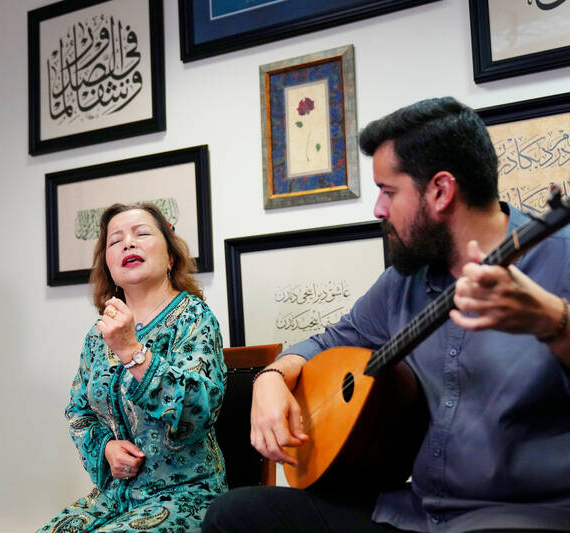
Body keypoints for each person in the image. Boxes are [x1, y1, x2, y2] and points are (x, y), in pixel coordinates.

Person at [203, 97, 570, 533]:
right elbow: (329, 341)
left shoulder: (560, 260)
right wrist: (270, 378)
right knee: (234, 514)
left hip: (526, 514)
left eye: (388, 191)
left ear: (440, 191)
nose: (378, 208)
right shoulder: (403, 281)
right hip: (415, 512)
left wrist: (555, 322)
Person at [40, 203, 227, 533]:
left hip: (185, 495)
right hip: (114, 497)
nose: (128, 243)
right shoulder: (98, 336)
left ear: (170, 258)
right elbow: (78, 411)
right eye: (115, 241)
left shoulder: (194, 318)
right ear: (109, 267)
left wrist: (131, 350)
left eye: (142, 234)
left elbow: (198, 411)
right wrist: (106, 448)